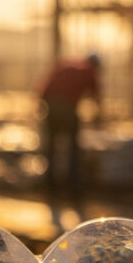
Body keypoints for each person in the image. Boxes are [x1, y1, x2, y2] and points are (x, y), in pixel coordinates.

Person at [38, 53, 101, 212]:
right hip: (66, 109)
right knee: (73, 150)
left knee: (52, 149)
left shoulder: (66, 65)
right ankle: (73, 191)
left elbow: (44, 88)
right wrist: (98, 117)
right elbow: (97, 97)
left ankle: (51, 189)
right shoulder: (89, 71)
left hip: (51, 107)